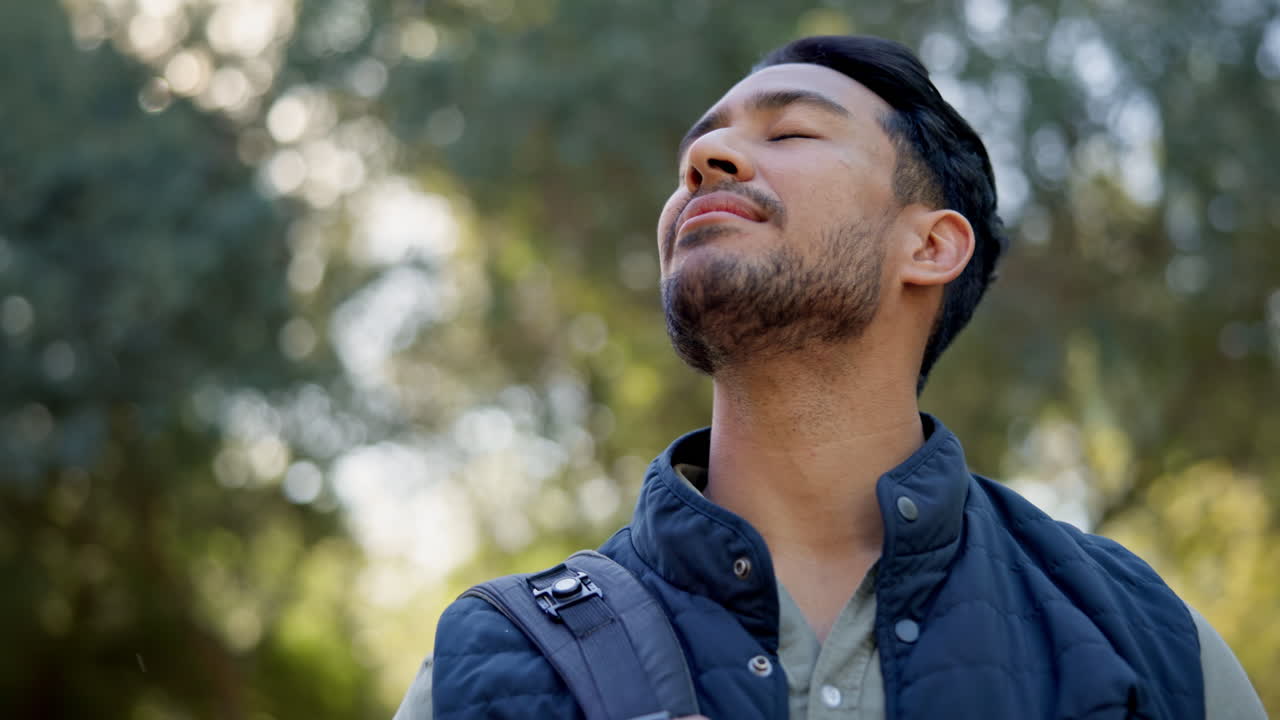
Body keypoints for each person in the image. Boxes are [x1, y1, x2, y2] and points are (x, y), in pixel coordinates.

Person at [395, 35, 1266, 719]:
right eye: (697, 151)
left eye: (790, 132)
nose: (707, 162)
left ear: (930, 246)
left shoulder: (1144, 642)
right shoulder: (496, 660)